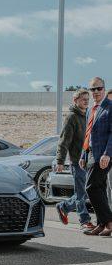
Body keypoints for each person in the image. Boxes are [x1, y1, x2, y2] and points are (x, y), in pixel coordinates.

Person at [55, 89, 94, 231]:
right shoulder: (71, 117)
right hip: (77, 161)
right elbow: (64, 141)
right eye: (83, 99)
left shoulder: (89, 115)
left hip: (89, 161)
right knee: (81, 192)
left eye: (87, 99)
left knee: (86, 191)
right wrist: (60, 161)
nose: (86, 101)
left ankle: (64, 206)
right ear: (75, 100)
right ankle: (84, 220)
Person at [79, 77, 112, 236]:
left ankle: (109, 222)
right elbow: (88, 135)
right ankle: (101, 223)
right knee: (99, 188)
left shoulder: (110, 107)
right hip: (91, 153)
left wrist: (107, 154)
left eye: (99, 88)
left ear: (104, 89)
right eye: (93, 89)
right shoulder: (91, 110)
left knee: (90, 187)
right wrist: (83, 154)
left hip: (103, 155)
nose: (96, 92)